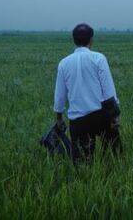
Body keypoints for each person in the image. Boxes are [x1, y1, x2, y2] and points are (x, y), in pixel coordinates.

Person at [53, 23, 122, 163]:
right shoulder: (99, 58)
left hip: (78, 120)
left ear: (74, 40)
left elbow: (60, 96)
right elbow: (109, 91)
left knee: (82, 162)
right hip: (101, 116)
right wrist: (114, 116)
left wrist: (59, 118)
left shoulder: (63, 63)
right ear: (91, 40)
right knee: (114, 155)